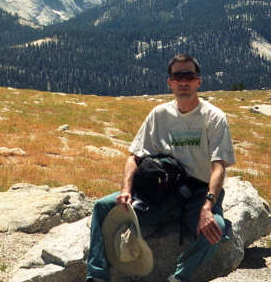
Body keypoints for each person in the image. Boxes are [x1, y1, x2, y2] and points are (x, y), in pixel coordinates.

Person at [86, 54, 236, 282]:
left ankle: (179, 277)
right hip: (162, 190)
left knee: (217, 229)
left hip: (198, 192)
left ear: (199, 81)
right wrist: (126, 190)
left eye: (189, 75)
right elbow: (134, 157)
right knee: (102, 207)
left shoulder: (214, 117)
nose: (183, 81)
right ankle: (97, 277)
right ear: (170, 82)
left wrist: (207, 206)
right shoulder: (159, 114)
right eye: (178, 76)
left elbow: (218, 167)